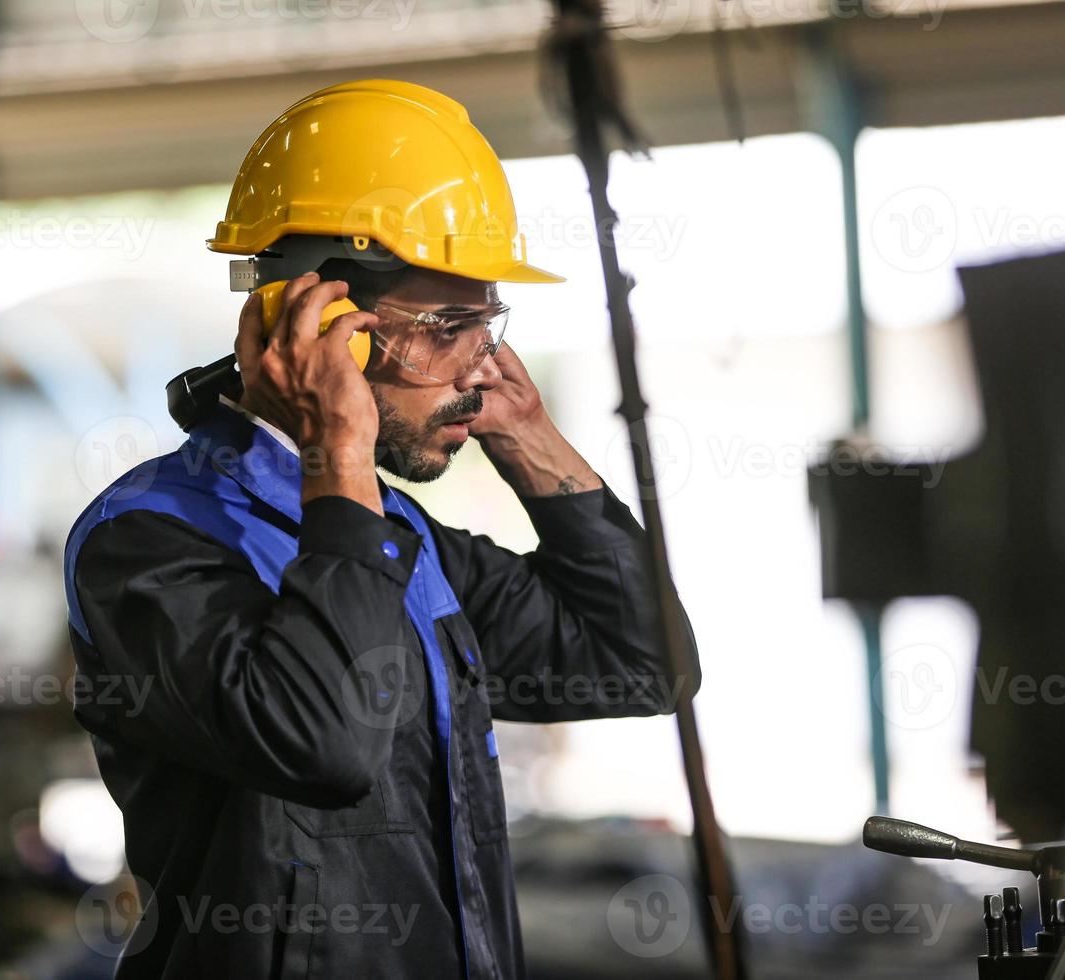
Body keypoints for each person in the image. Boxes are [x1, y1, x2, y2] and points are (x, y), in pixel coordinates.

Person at [63, 78, 699, 979]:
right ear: (328, 325)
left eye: (487, 327)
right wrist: (338, 448)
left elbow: (645, 661)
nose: (475, 368)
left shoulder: (404, 543)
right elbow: (323, 743)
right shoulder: (147, 542)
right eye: (448, 327)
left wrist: (527, 437)